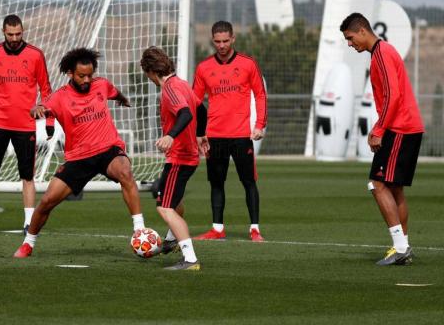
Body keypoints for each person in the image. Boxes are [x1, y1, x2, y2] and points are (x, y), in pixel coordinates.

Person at [13, 48, 145, 258]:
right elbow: (38, 108)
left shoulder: (101, 85)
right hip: (79, 158)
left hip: (108, 149)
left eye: (89, 75)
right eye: (81, 76)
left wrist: (122, 98)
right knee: (47, 201)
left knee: (125, 173)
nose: (86, 80)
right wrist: (36, 110)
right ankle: (28, 243)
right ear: (70, 74)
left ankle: (140, 230)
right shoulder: (60, 97)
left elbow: (113, 91)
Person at [341, 13, 424, 266]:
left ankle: (400, 247)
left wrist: (379, 129)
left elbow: (394, 96)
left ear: (363, 31)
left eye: (350, 37)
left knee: (376, 184)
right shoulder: (381, 53)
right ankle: (403, 247)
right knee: (393, 187)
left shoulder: (382, 53)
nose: (349, 43)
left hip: (399, 128)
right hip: (407, 127)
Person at [0, 14, 53, 236]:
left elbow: (46, 90)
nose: (15, 38)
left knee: (27, 176)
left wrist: (50, 121)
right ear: (3, 32)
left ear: (23, 31)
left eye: (18, 34)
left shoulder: (36, 55)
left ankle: (29, 224)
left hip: (26, 126)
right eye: (10, 34)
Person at [192, 21, 267, 242]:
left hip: (242, 135)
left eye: (226, 40)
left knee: (249, 181)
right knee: (216, 183)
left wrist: (260, 124)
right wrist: (199, 132)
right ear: (212, 41)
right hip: (214, 136)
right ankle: (217, 229)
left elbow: (260, 94)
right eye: (218, 41)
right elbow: (196, 102)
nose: (222, 45)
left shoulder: (248, 64)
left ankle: (254, 229)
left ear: (233, 38)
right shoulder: (204, 68)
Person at [140, 46, 201, 271]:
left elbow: (185, 113)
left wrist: (170, 136)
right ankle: (170, 239)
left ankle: (190, 259)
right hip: (187, 155)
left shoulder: (170, 89)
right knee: (170, 201)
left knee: (164, 208)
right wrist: (201, 134)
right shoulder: (183, 84)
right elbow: (199, 109)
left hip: (180, 157)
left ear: (150, 71)